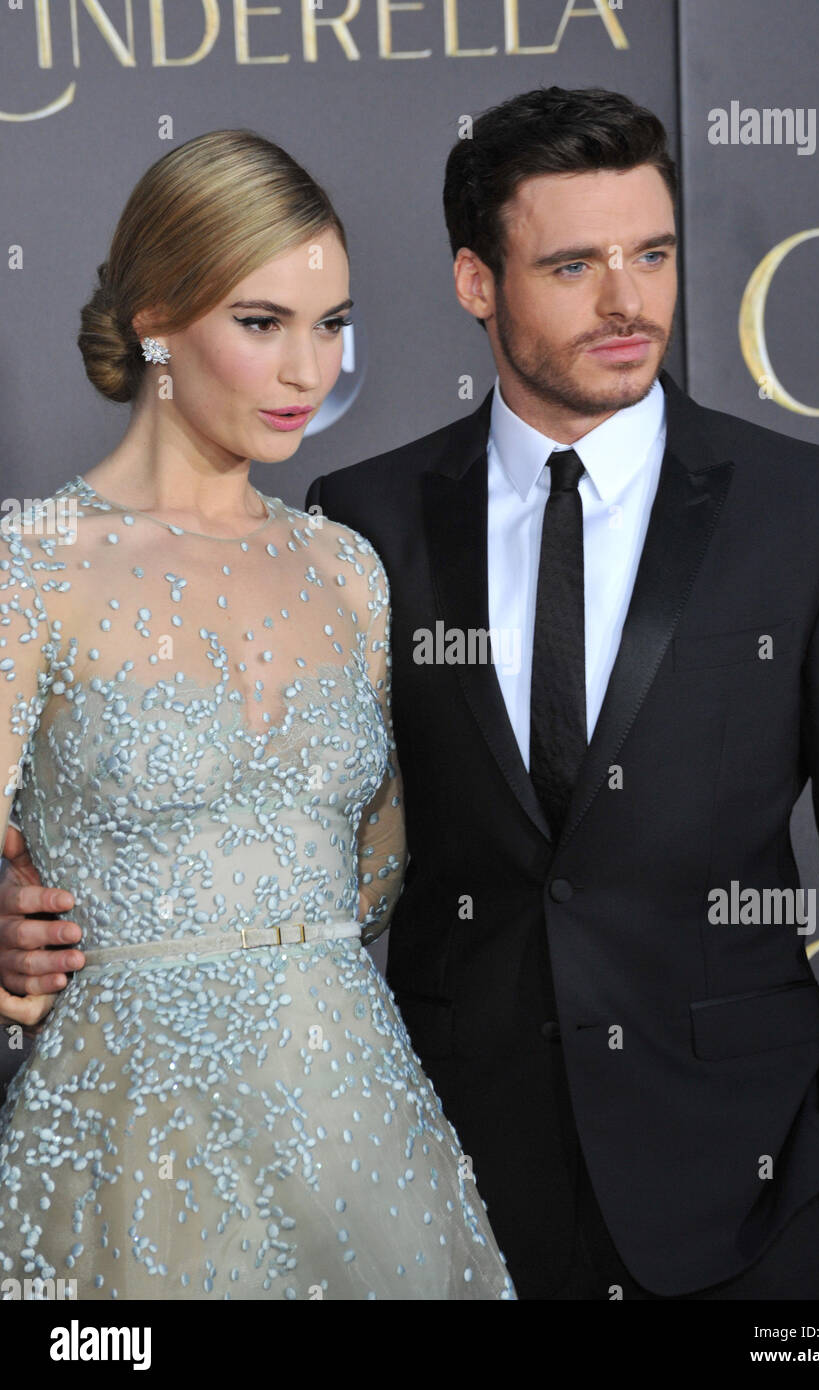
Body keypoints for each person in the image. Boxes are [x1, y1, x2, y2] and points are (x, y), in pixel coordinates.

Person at [5, 86, 819, 1302]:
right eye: (570, 263)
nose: (626, 300)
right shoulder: (368, 522)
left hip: (745, 1201)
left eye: (650, 253)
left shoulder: (807, 510)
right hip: (451, 1170)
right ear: (474, 282)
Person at [0, 129, 515, 1300]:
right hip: (133, 1137)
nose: (310, 372)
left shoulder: (347, 569)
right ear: (154, 319)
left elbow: (375, 870)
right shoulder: (32, 566)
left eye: (331, 324)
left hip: (360, 1128)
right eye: (261, 323)